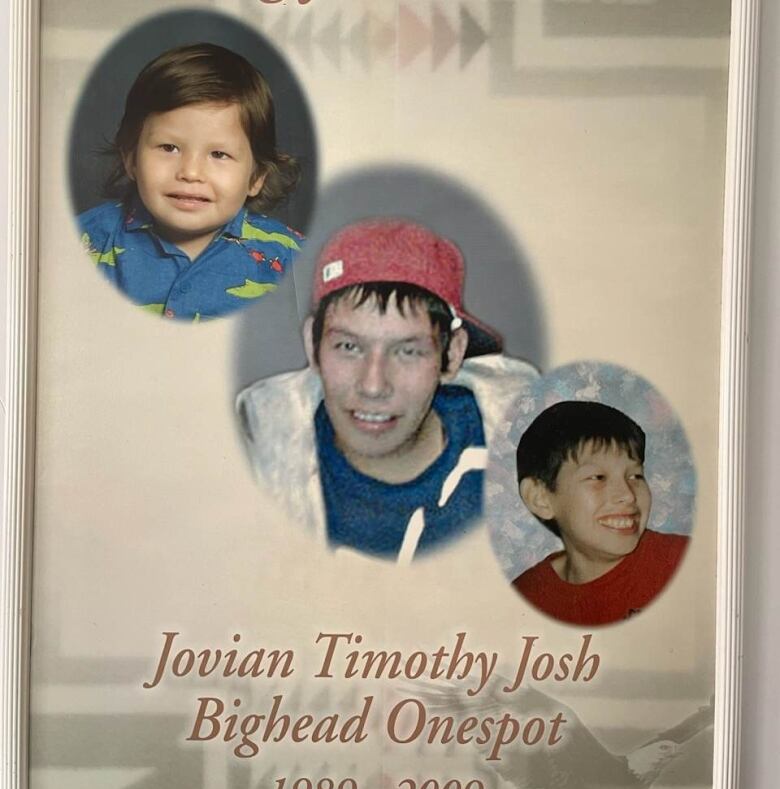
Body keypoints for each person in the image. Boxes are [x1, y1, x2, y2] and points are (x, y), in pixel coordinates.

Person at [237, 218, 538, 562]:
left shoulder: (529, 458)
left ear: (452, 354)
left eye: (408, 351)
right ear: (312, 345)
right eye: (349, 347)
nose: (373, 385)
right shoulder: (251, 468)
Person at [78, 42, 303, 320]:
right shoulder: (84, 243)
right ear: (131, 159)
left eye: (219, 154)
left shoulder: (294, 259)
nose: (190, 172)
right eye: (169, 148)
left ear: (255, 178)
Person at [511, 400, 688, 625]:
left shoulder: (684, 563)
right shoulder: (525, 599)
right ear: (541, 498)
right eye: (598, 477)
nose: (628, 494)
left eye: (635, 476)